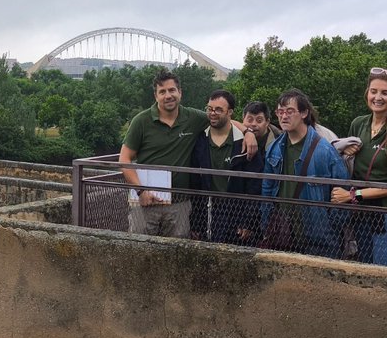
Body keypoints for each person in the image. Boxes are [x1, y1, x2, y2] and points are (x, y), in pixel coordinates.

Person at [120, 70, 257, 238]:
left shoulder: (192, 117)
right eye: (162, 91)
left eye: (172, 90)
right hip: (146, 202)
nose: (168, 95)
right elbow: (124, 159)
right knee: (140, 247)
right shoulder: (141, 121)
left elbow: (222, 118)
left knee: (178, 251)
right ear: (156, 96)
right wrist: (141, 191)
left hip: (180, 205)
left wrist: (248, 132)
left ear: (180, 92)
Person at [331, 68, 387, 268]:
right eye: (373, 91)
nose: (378, 97)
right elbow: (349, 165)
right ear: (367, 93)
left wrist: (352, 195)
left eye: (385, 93)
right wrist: (345, 152)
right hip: (362, 214)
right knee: (365, 271)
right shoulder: (359, 124)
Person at [261, 89, 350, 257]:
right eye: (280, 112)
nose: (284, 116)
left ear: (304, 113)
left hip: (319, 237)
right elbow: (267, 188)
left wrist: (330, 227)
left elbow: (342, 192)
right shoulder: (274, 148)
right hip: (283, 233)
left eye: (289, 111)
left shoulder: (325, 151)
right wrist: (267, 223)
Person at [190, 90, 263, 243]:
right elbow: (195, 183)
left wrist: (248, 221)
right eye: (210, 109)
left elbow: (254, 186)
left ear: (230, 112)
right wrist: (195, 222)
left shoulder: (245, 143)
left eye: (218, 109)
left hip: (236, 212)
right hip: (208, 211)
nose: (213, 113)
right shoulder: (200, 140)